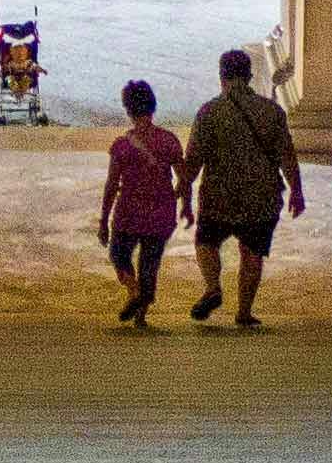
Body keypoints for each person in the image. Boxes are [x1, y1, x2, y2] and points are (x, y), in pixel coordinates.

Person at [183, 47, 304, 328]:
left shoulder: (209, 112)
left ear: (222, 77)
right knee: (252, 253)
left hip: (219, 196)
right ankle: (244, 312)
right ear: (249, 76)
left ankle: (213, 286)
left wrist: (183, 190)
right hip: (260, 196)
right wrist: (297, 191)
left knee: (206, 242)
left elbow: (194, 159)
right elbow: (287, 155)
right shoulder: (271, 111)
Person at [99, 78, 186, 328]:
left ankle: (133, 291)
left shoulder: (122, 146)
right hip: (161, 213)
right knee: (150, 263)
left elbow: (111, 185)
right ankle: (141, 315)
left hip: (129, 212)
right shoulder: (168, 140)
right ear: (153, 106)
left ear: (128, 110)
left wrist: (104, 221)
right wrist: (180, 200)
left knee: (119, 255)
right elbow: (184, 178)